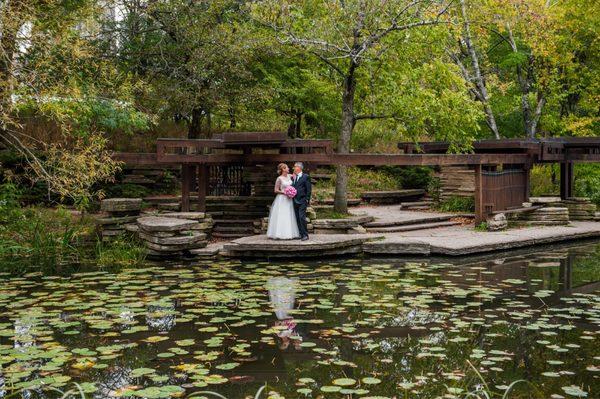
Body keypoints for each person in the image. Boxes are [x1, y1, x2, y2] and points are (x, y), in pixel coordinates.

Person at [267, 163, 300, 240]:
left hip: (289, 199)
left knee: (289, 214)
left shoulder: (290, 176)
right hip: (282, 199)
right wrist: (285, 192)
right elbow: (276, 190)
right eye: (287, 168)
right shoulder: (279, 178)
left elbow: (296, 176)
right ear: (283, 169)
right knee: (282, 215)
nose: (288, 169)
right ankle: (279, 233)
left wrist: (292, 191)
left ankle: (290, 233)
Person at [291, 162, 311, 241]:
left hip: (302, 200)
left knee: (302, 217)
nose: (294, 168)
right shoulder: (294, 177)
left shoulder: (305, 176)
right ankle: (300, 234)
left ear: (299, 168)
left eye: (295, 167)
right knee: (297, 218)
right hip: (294, 200)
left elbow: (308, 189)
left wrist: (307, 199)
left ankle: (305, 235)